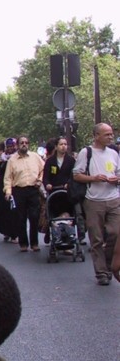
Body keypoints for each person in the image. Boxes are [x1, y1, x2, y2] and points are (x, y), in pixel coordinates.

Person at [72, 122, 120, 286]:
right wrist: (94, 178)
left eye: (111, 134)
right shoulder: (86, 153)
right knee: (97, 238)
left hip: (113, 198)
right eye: (106, 134)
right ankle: (101, 273)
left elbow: (118, 173)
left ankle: (108, 265)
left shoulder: (114, 153)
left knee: (115, 233)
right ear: (96, 136)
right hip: (93, 201)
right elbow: (77, 175)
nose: (110, 136)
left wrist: (116, 179)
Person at [3, 135, 44, 253]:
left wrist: (40, 180)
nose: (24, 144)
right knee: (20, 218)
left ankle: (34, 243)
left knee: (34, 217)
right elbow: (8, 178)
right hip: (19, 191)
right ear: (17, 145)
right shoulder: (12, 160)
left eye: (26, 142)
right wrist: (8, 192)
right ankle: (23, 243)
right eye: (22, 143)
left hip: (33, 190)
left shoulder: (35, 157)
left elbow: (43, 169)